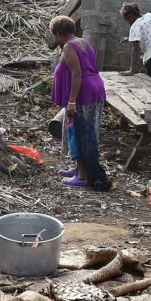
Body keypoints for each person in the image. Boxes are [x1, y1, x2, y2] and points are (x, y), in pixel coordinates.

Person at [49, 16, 110, 191]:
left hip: (84, 94)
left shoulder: (69, 47)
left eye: (55, 36)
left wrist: (72, 101)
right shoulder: (83, 42)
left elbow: (77, 74)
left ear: (60, 33)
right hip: (94, 90)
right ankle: (78, 168)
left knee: (81, 132)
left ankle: (82, 176)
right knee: (81, 130)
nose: (55, 40)